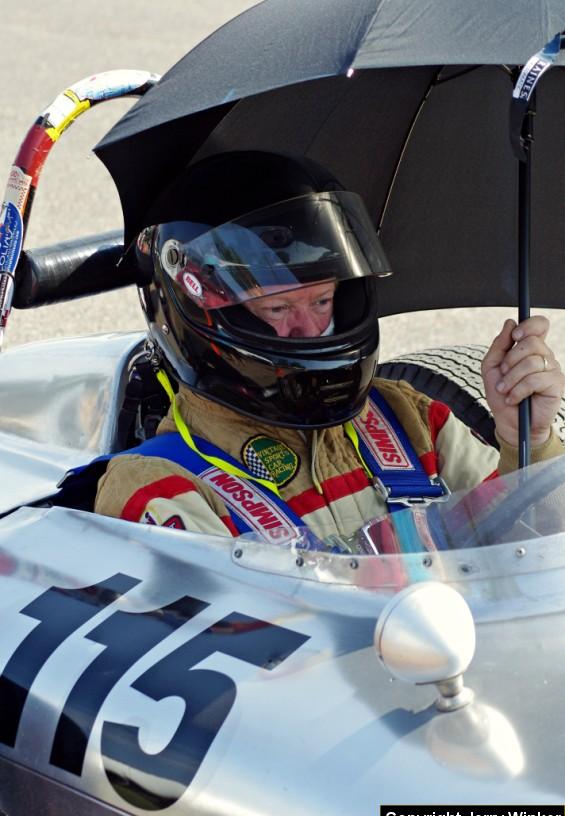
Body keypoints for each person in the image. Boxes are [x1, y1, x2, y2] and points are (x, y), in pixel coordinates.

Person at [93, 150, 565, 548]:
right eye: (277, 308)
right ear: (201, 314)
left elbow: (534, 552)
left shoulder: (408, 416)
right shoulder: (158, 485)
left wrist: (528, 438)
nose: (309, 329)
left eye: (322, 300)